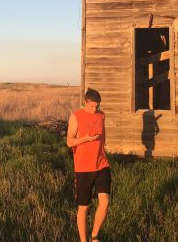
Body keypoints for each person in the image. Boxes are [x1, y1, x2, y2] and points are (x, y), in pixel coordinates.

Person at [67, 88, 110, 242]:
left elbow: (102, 136)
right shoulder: (75, 117)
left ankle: (95, 236)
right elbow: (69, 141)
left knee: (105, 202)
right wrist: (85, 138)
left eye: (97, 106)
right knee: (83, 208)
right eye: (92, 106)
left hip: (101, 164)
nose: (95, 109)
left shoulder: (101, 115)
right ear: (84, 102)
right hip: (83, 167)